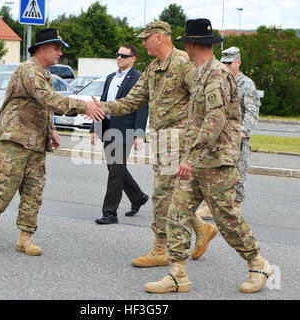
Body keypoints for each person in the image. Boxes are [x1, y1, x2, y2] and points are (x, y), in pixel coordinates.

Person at [144, 19, 272, 294]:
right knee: (176, 213)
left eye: (186, 44)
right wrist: (189, 156)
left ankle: (258, 263)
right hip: (197, 159)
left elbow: (215, 118)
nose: (185, 49)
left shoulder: (215, 75)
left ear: (191, 45)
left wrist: (191, 158)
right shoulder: (201, 73)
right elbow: (197, 120)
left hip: (215, 162)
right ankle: (177, 275)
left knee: (227, 220)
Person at [91, 21, 218, 267]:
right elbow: (132, 101)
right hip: (162, 140)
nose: (142, 43)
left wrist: (194, 143)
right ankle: (202, 229)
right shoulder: (152, 68)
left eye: (146, 38)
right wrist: (102, 107)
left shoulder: (183, 64)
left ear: (159, 37)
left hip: (179, 140)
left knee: (162, 195)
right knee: (172, 197)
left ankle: (161, 248)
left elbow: (202, 103)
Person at [0, 28, 104, 256]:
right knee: (3, 188)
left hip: (36, 142)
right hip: (15, 141)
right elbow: (49, 99)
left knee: (34, 193)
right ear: (42, 48)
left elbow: (43, 106)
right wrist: (84, 105)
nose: (60, 53)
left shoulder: (45, 74)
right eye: (57, 48)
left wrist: (52, 130)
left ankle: (25, 237)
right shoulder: (29, 71)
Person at [196, 46, 261, 219]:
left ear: (238, 63)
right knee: (212, 171)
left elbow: (252, 111)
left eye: (229, 62)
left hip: (236, 137)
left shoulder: (246, 84)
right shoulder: (217, 80)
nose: (225, 65)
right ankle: (209, 205)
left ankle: (235, 205)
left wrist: (243, 131)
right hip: (216, 136)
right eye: (223, 62)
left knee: (237, 173)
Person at [90, 44, 149, 225]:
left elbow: (142, 106)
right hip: (107, 127)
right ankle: (138, 197)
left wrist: (139, 133)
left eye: (124, 56)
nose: (119, 58)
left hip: (125, 130)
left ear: (133, 59)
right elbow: (101, 103)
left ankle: (110, 213)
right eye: (118, 55)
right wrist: (94, 127)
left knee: (116, 170)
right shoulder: (110, 78)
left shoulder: (138, 79)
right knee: (115, 168)